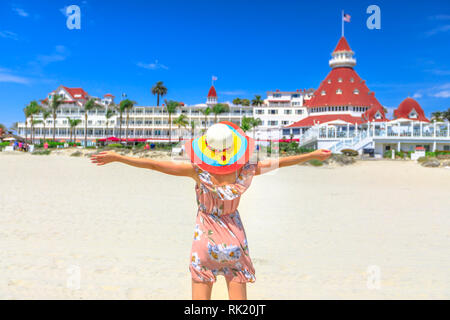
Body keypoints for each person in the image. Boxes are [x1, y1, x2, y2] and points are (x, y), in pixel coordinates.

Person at [90, 121, 331, 300]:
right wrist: (313, 154)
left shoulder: (197, 171)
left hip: (205, 239)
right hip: (235, 238)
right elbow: (279, 162)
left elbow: (154, 165)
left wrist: (118, 157)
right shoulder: (244, 170)